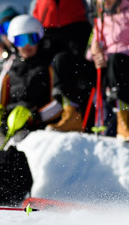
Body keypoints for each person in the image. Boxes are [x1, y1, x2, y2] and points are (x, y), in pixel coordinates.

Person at [0, 15, 62, 149]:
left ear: (39, 39)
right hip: (8, 125)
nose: (27, 45)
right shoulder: (10, 66)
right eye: (21, 40)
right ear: (14, 42)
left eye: (32, 39)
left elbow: (60, 104)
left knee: (18, 152)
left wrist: (35, 116)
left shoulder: (48, 65)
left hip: (37, 128)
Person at [31, 0, 96, 132]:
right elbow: (34, 13)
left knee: (78, 75)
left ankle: (80, 118)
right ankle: (51, 118)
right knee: (41, 72)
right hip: (47, 29)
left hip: (77, 27)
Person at [87, 0, 129, 140]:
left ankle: (124, 120)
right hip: (110, 67)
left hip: (124, 64)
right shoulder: (100, 18)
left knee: (115, 61)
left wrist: (113, 56)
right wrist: (96, 54)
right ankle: (104, 122)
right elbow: (92, 49)